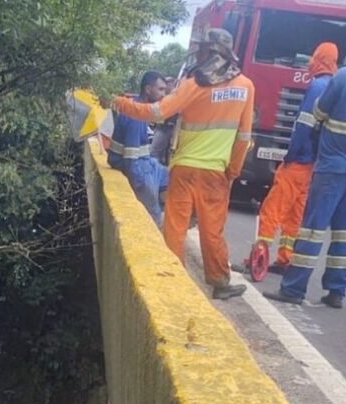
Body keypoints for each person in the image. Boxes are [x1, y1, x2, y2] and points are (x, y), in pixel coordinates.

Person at [112, 29, 255, 300]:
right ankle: (220, 282)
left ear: (207, 52)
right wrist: (233, 171)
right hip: (216, 172)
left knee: (175, 226)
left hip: (184, 169)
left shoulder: (194, 84)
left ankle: (173, 281)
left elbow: (156, 112)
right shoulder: (246, 86)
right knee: (212, 229)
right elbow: (244, 137)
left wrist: (119, 102)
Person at [264, 41, 346, 309]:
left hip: (332, 166)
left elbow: (319, 112)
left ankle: (293, 288)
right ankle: (337, 291)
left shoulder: (344, 77)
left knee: (312, 229)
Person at [253, 43, 338, 274]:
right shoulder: (333, 86)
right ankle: (286, 258)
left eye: (313, 57)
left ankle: (258, 257)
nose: (310, 61)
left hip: (300, 160)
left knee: (273, 207)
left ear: (319, 59)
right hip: (314, 163)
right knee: (295, 213)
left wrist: (290, 155)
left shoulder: (317, 86)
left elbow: (303, 125)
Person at [107, 71, 169, 227]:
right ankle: (154, 221)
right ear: (148, 89)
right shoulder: (135, 115)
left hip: (144, 162)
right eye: (160, 89)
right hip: (136, 167)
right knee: (153, 214)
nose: (163, 95)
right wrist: (141, 186)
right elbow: (131, 160)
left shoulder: (139, 108)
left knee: (173, 177)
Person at [149, 77, 178, 165]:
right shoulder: (164, 98)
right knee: (158, 154)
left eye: (168, 83)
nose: (166, 86)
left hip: (166, 127)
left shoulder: (174, 97)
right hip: (160, 127)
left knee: (155, 152)